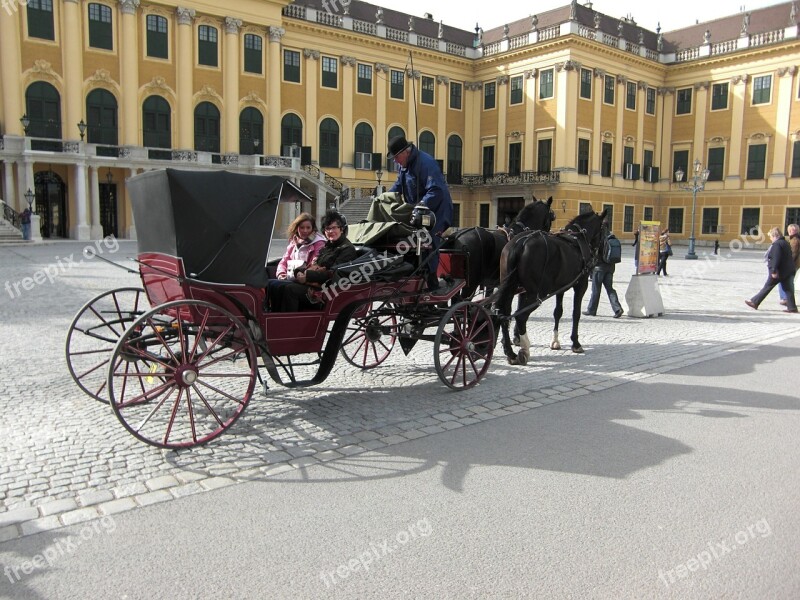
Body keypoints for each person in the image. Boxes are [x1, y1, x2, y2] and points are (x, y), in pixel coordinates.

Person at [387, 135, 453, 290]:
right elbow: (398, 186)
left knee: (428, 242)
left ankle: (431, 281)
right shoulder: (403, 165)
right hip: (416, 212)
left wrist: (421, 205)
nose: (395, 161)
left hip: (437, 212)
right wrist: (385, 198)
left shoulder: (426, 162)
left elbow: (436, 190)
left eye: (396, 157)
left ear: (406, 152)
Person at [269, 210, 357, 312]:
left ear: (341, 229)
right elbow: (314, 264)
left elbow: (333, 274)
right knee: (275, 284)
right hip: (314, 283)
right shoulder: (328, 245)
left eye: (334, 228)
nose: (330, 231)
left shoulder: (347, 249)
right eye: (327, 228)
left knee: (289, 289)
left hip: (327, 291)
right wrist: (299, 273)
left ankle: (290, 324)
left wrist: (307, 276)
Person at [266, 212, 326, 309]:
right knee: (271, 283)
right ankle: (273, 313)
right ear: (297, 228)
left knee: (286, 288)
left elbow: (314, 264)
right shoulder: (294, 242)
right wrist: (281, 273)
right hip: (292, 276)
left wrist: (298, 274)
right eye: (302, 227)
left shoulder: (319, 243)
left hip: (307, 280)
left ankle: (287, 318)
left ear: (313, 228)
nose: (305, 231)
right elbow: (284, 260)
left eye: (308, 227)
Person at [745, 227, 797, 313]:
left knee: (767, 287)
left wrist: (773, 270)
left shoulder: (777, 244)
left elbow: (775, 258)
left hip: (780, 271)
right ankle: (792, 307)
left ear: (774, 236)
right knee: (788, 290)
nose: (770, 239)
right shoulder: (785, 243)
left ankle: (755, 302)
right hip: (788, 270)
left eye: (771, 237)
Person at [583, 222, 624, 318]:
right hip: (610, 267)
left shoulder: (599, 239)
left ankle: (591, 310)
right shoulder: (612, 237)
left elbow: (593, 253)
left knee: (596, 289)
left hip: (599, 268)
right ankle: (617, 309)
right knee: (610, 289)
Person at [778, 223, 800, 306]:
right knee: (788, 281)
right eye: (790, 230)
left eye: (792, 230)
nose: (791, 231)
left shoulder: (795, 240)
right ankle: (786, 298)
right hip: (794, 264)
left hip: (792, 265)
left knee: (783, 281)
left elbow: (793, 254)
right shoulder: (794, 239)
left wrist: (786, 264)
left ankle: (785, 298)